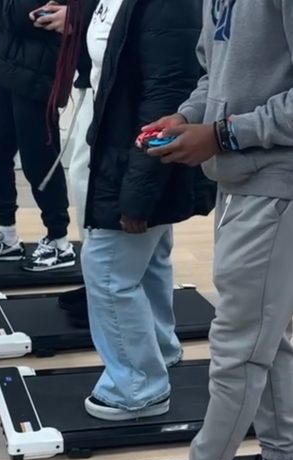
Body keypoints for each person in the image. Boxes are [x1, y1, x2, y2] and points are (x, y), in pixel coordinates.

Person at [115, 0, 293, 460]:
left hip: (277, 183)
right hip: (238, 181)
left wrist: (222, 135)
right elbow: (213, 76)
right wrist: (190, 118)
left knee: (238, 347)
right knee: (270, 335)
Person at [77, 0, 215, 421]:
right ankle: (160, 350)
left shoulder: (168, 5)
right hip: (119, 150)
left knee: (107, 270)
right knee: (148, 262)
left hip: (137, 159)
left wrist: (138, 194)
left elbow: (167, 98)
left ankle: (138, 386)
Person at [0, 0, 76, 270]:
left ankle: (59, 241)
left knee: (39, 162)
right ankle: (7, 236)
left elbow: (19, 16)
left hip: (40, 74)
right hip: (8, 65)